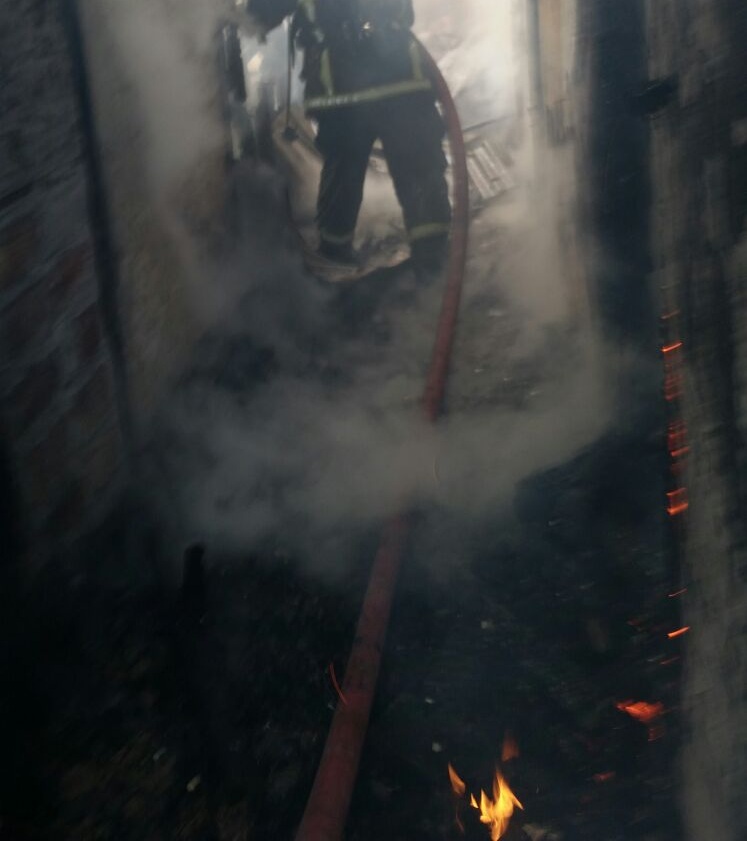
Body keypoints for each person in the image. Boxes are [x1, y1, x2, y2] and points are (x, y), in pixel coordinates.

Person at [242, 0, 452, 272]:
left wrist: (221, 18)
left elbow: (258, 16)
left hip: (341, 93)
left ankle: (335, 255)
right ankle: (435, 262)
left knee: (343, 172)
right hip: (401, 83)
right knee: (419, 169)